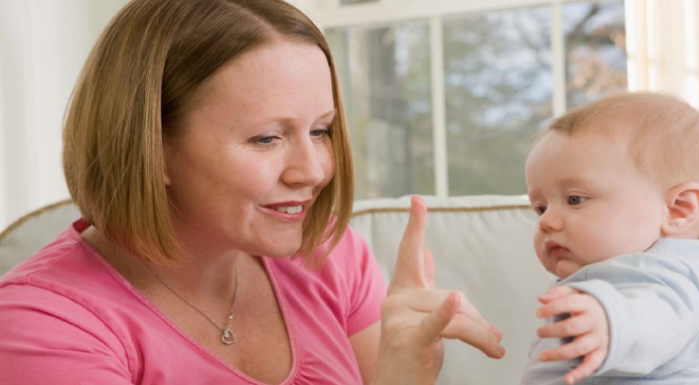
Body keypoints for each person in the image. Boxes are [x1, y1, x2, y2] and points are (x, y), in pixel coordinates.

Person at [0, 0, 504, 384]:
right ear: (151, 148)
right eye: (267, 138)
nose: (312, 171)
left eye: (320, 131)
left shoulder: (326, 251)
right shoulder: (42, 324)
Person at [520, 92, 699, 384]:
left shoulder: (669, 277)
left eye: (575, 199)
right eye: (541, 208)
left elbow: (656, 317)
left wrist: (611, 321)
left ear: (678, 209)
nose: (547, 221)